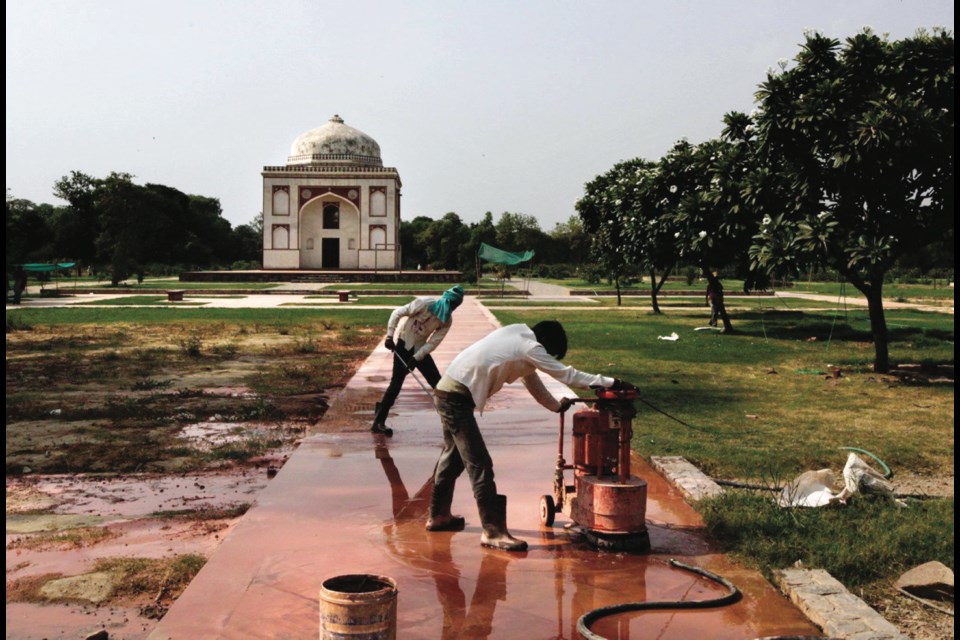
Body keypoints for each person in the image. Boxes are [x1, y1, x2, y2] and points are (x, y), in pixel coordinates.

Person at [424, 320, 635, 552]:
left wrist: (556, 406)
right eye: (549, 353)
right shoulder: (529, 347)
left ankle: (439, 516)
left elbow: (532, 382)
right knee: (480, 464)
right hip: (456, 399)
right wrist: (612, 382)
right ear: (544, 343)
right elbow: (568, 375)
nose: (546, 356)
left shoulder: (514, 335)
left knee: (452, 458)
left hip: (447, 391)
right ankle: (493, 532)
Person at [372, 285, 465, 436]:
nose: (451, 308)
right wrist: (389, 336)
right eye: (450, 304)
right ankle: (379, 422)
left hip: (420, 350)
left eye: (455, 306)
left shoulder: (447, 320)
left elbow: (433, 342)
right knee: (396, 384)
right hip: (403, 345)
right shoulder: (425, 304)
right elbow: (397, 313)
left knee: (438, 384)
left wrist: (416, 358)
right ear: (445, 299)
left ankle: (451, 421)